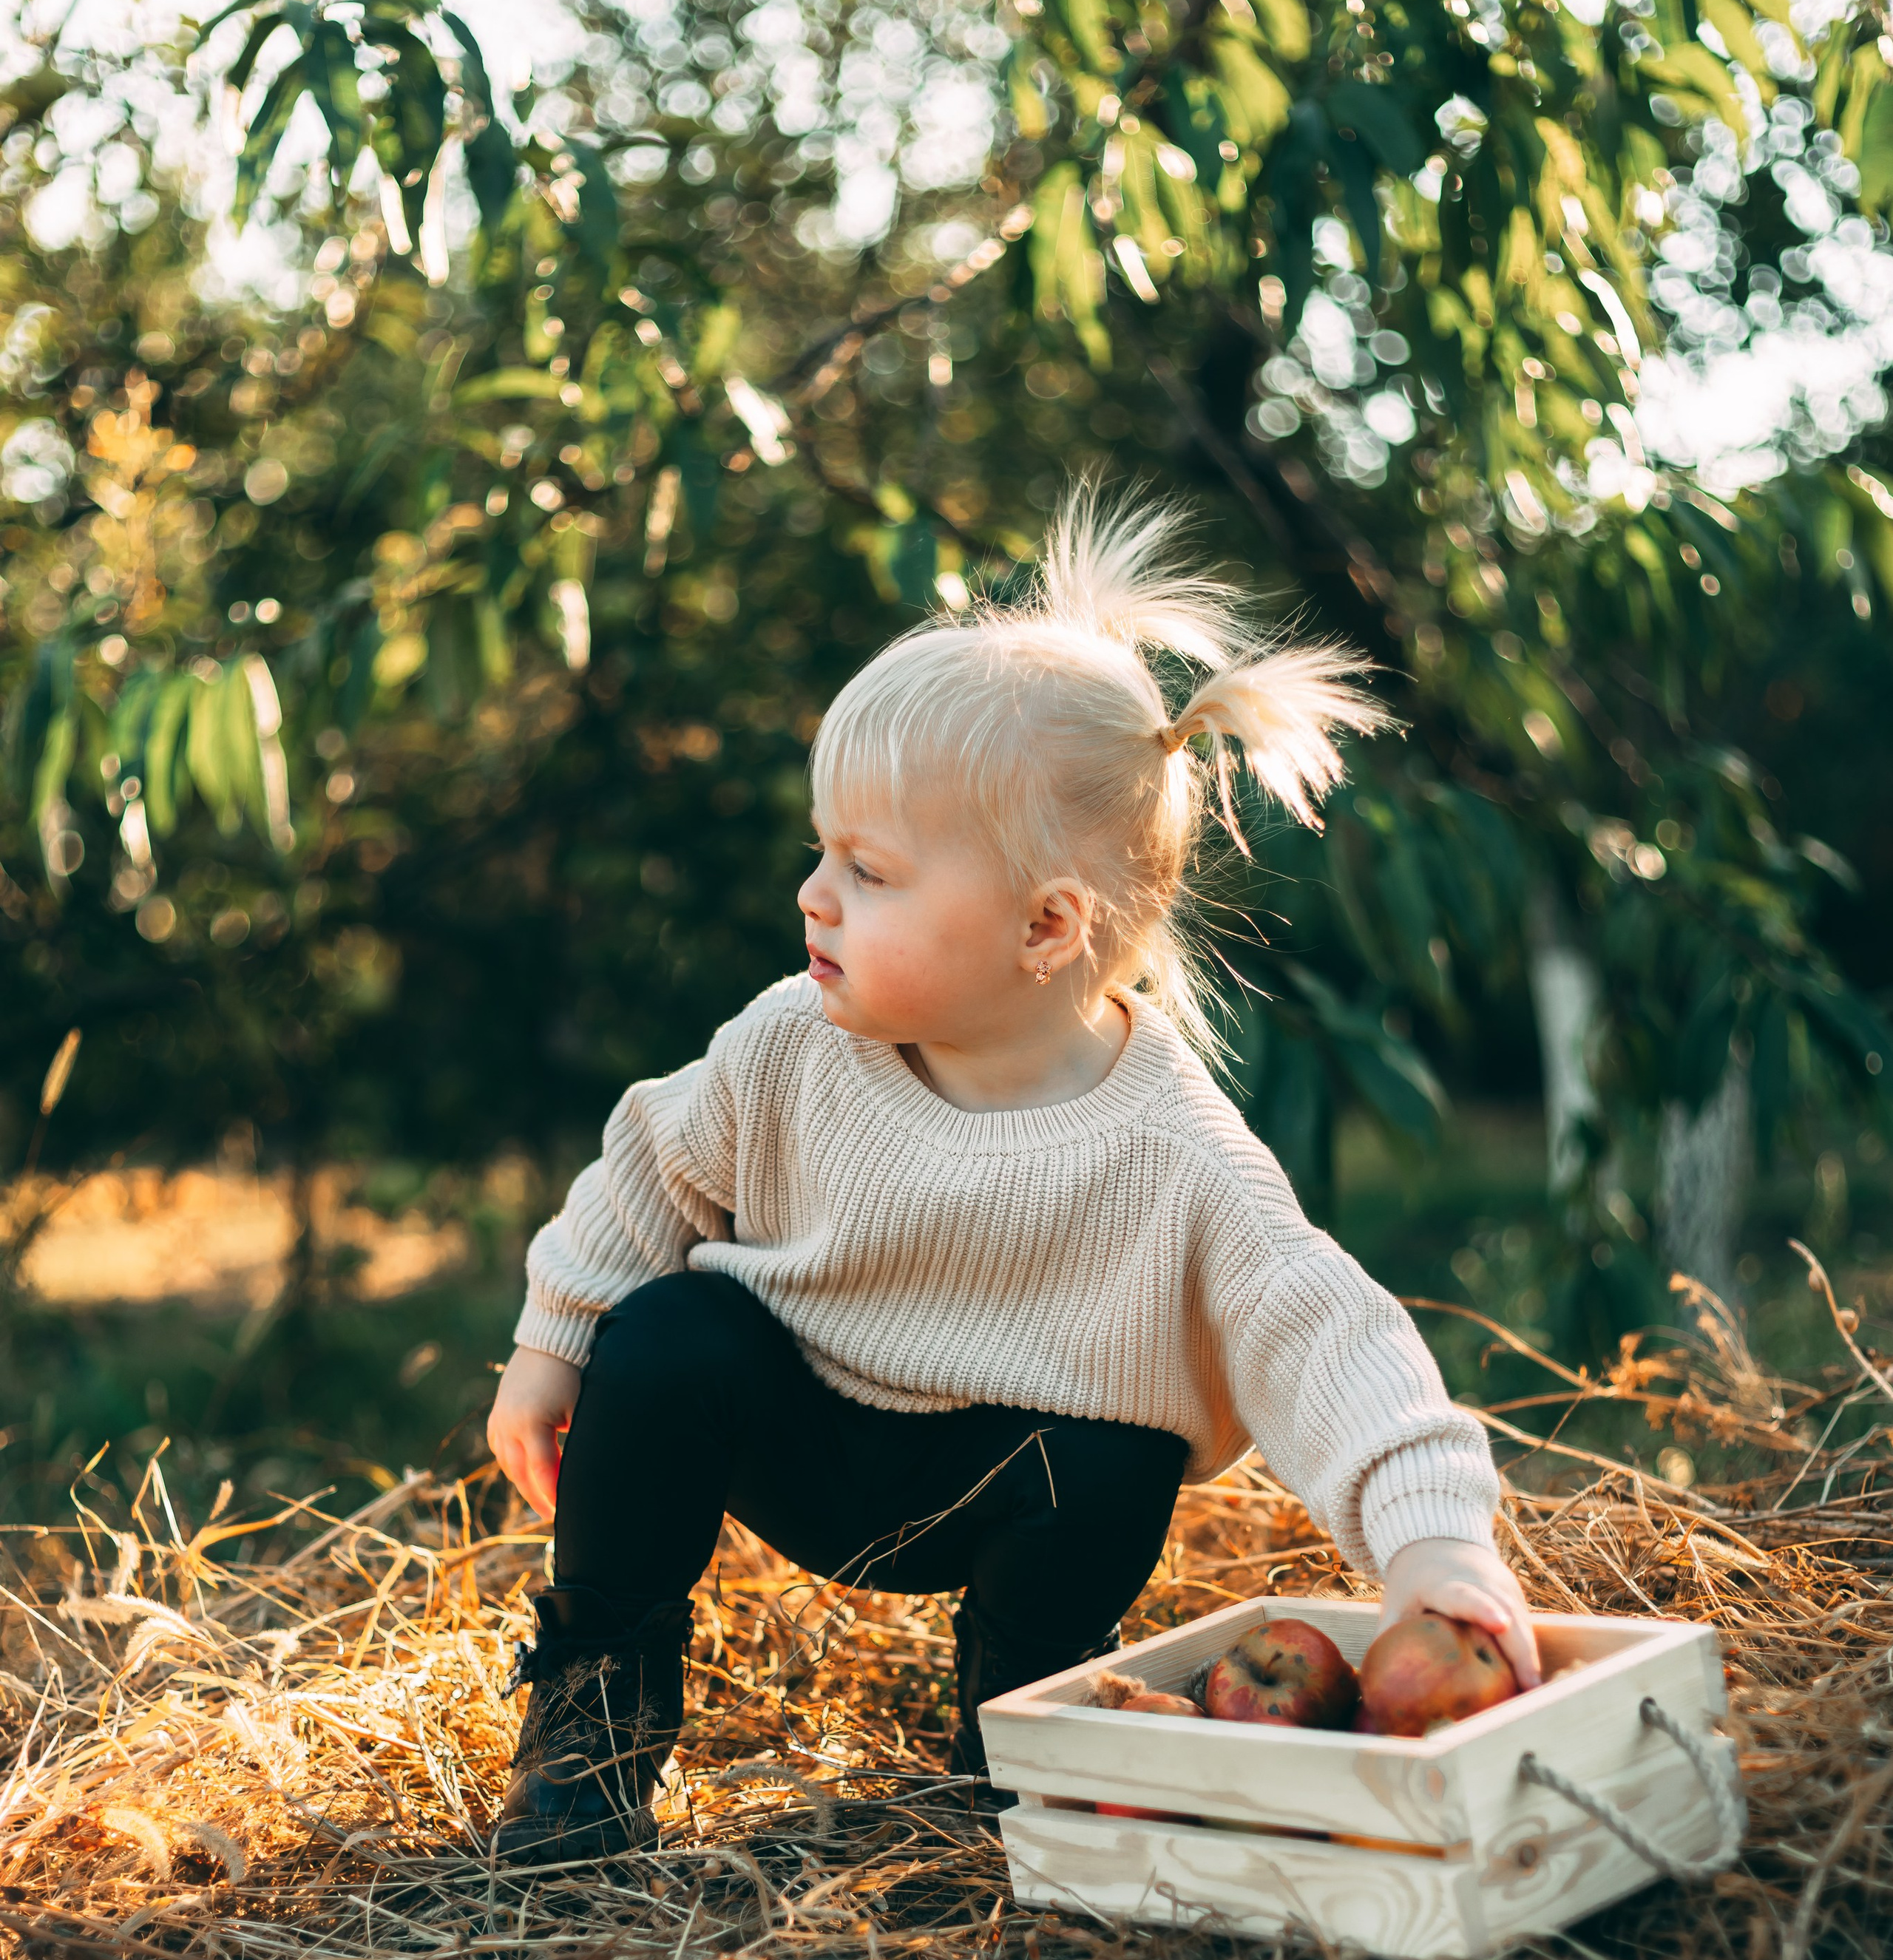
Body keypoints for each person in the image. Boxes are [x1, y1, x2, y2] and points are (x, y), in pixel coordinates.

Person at [484, 488, 1534, 1865]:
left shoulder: (1173, 1152)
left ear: (1045, 926)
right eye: (821, 851)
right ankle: (594, 1732)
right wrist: (552, 1341)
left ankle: (1019, 1751)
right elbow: (650, 1169)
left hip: (1005, 1490)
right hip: (800, 1431)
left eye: (869, 870)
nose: (814, 894)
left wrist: (1434, 1543)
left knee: (1114, 1461)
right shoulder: (790, 1045)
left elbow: (1326, 1330)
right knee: (670, 1333)